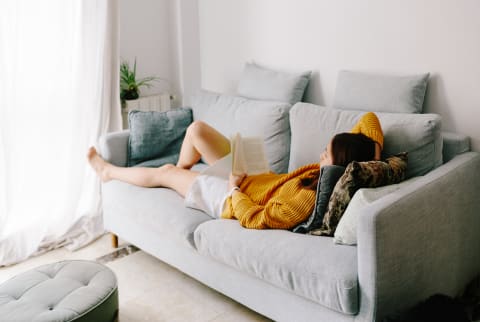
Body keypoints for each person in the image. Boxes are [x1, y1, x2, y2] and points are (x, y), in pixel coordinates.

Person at [88, 112, 383, 230]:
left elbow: (257, 218)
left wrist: (233, 189)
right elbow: (370, 120)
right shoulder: (329, 173)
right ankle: (181, 179)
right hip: (258, 175)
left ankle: (109, 172)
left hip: (232, 197)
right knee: (196, 130)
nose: (319, 154)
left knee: (164, 170)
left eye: (326, 154)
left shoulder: (307, 199)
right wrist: (370, 160)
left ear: (338, 165)